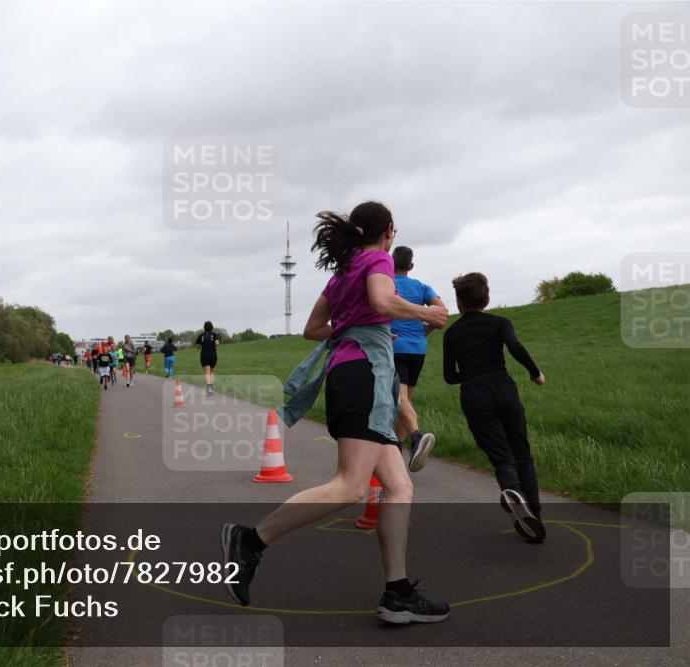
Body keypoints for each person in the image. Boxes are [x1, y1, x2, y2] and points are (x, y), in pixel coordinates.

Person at [220, 201, 451, 625]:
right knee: (349, 487)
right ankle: (250, 540)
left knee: (399, 487)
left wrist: (347, 328)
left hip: (360, 378)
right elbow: (382, 301)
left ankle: (397, 593)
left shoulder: (341, 273)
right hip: (364, 375)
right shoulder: (377, 258)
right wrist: (424, 314)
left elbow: (312, 330)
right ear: (389, 231)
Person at [443, 272, 546, 543]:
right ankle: (534, 514)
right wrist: (535, 373)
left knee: (502, 457)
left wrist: (471, 373)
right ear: (486, 299)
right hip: (503, 388)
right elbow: (514, 346)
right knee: (522, 452)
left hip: (475, 394)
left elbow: (449, 377)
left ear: (458, 301)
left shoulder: (452, 333)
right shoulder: (501, 322)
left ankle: (512, 490)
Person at [390, 245, 445, 472]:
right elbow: (442, 311)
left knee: (400, 399)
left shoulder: (387, 285)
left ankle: (416, 436)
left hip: (395, 346)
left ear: (391, 263)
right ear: (411, 265)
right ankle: (399, 451)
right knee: (406, 401)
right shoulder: (422, 287)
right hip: (418, 349)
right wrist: (425, 331)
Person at [195, 322, 220, 396]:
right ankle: (211, 388)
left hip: (204, 355)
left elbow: (198, 347)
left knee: (207, 372)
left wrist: (200, 345)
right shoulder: (214, 335)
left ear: (204, 327)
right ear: (212, 327)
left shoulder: (201, 335)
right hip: (213, 355)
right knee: (212, 371)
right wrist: (218, 339)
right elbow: (217, 344)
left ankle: (208, 389)